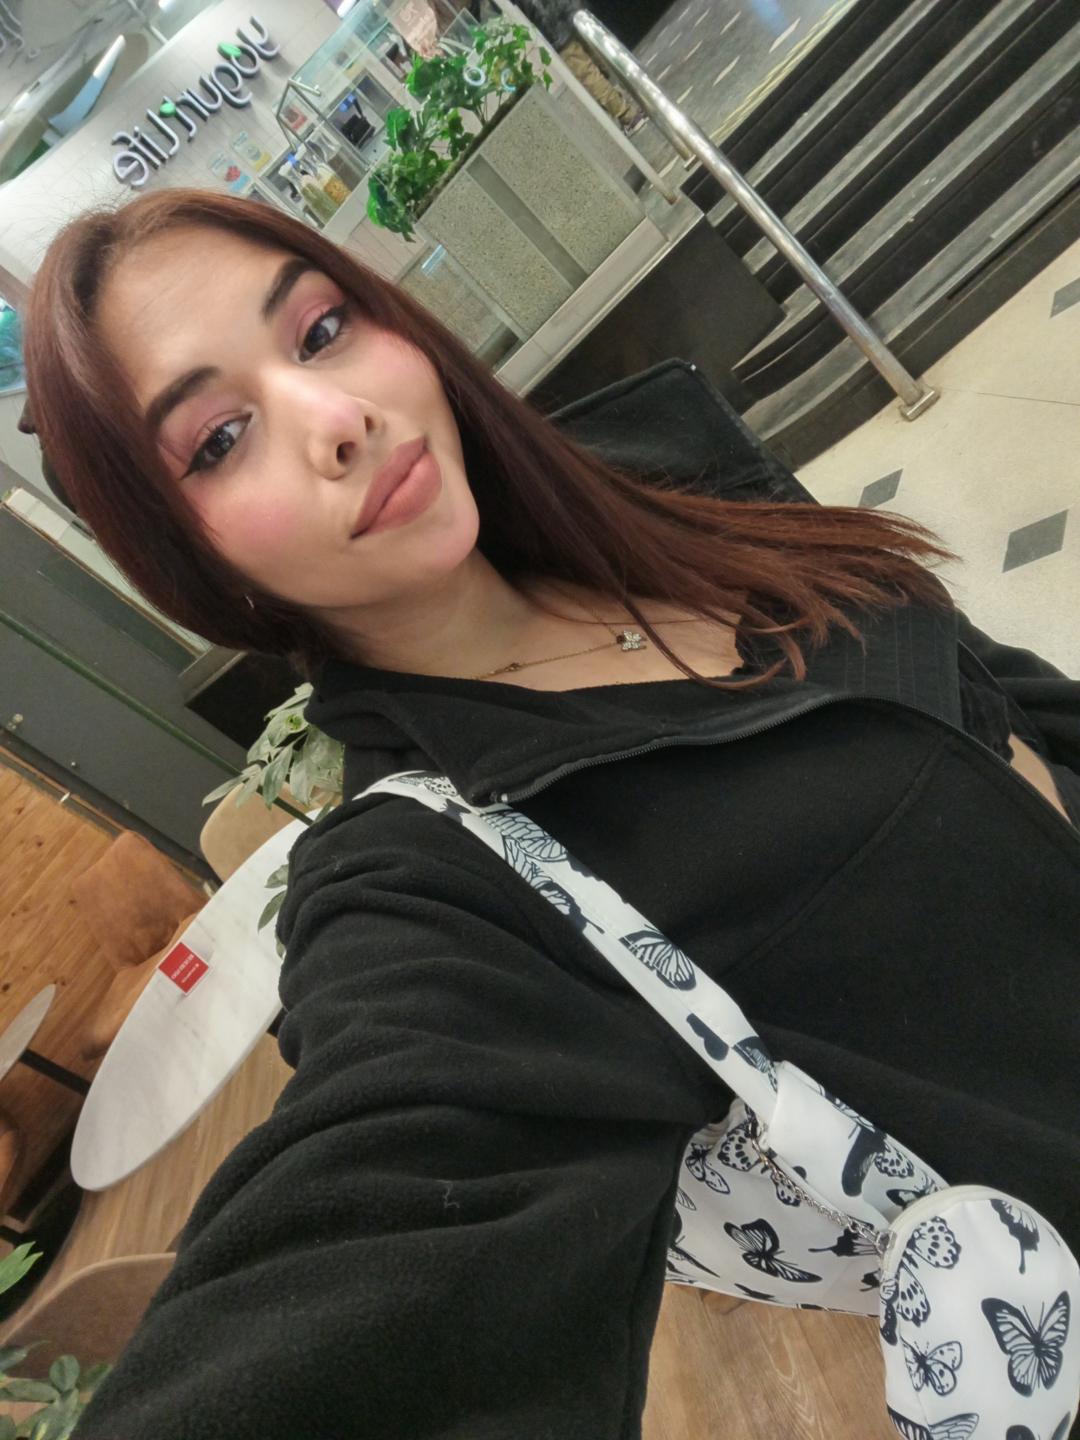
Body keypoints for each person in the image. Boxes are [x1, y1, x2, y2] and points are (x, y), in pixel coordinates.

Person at [22, 189, 1080, 1439]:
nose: (337, 420)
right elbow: (378, 1244)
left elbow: (983, 682)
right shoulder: (431, 882)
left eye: (320, 331)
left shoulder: (663, 478)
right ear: (186, 556)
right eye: (219, 439)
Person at [513, 0, 648, 133]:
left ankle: (629, 116)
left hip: (555, 31)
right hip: (574, 12)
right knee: (601, 59)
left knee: (589, 75)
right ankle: (637, 104)